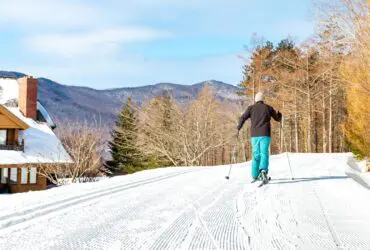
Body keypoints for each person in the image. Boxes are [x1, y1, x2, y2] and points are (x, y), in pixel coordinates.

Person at [236, 92, 282, 183]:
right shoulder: (268, 108)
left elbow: (242, 118)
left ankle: (254, 175)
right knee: (264, 153)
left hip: (254, 135)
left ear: (255, 99)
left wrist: (238, 128)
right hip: (265, 134)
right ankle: (263, 171)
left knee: (256, 154)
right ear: (262, 99)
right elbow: (277, 118)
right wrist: (279, 115)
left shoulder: (251, 108)